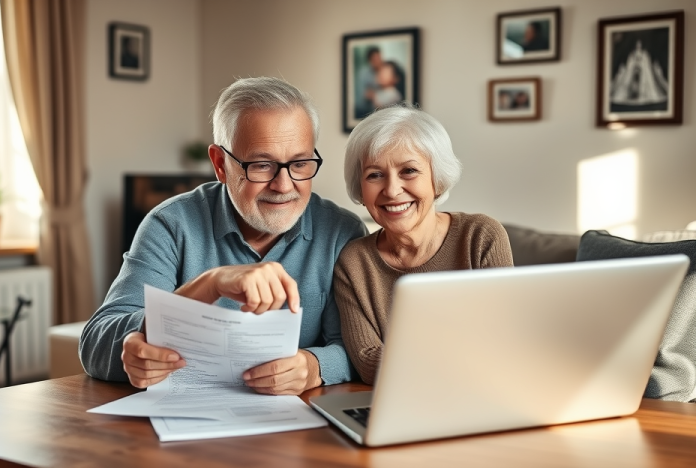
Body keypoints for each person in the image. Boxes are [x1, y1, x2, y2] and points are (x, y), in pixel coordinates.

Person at [79, 77, 368, 395]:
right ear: (220, 164)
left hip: (299, 428)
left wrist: (314, 367)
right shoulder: (170, 225)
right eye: (261, 165)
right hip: (183, 427)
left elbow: (360, 349)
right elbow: (96, 343)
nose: (284, 185)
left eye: (299, 163)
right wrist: (208, 286)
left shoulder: (342, 232)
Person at [333, 105, 514, 384]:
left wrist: (408, 359)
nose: (392, 190)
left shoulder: (480, 236)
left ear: (437, 179)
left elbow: (502, 342)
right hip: (398, 405)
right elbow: (368, 362)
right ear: (361, 187)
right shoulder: (353, 262)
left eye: (409, 170)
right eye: (374, 174)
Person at [355, 46, 383, 118]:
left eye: (379, 58)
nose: (378, 61)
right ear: (370, 61)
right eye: (375, 59)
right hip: (365, 110)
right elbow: (363, 95)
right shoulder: (364, 73)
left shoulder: (385, 70)